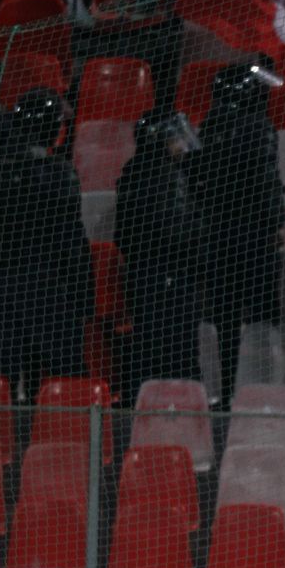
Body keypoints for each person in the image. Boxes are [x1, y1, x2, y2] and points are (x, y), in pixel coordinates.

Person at [0, 86, 93, 399]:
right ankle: (72, 443)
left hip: (0, 285)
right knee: (68, 378)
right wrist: (82, 294)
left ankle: (3, 444)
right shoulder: (58, 173)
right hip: (46, 285)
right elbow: (71, 239)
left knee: (2, 382)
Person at [194, 60, 285, 403]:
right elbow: (265, 182)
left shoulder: (207, 127)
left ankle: (223, 390)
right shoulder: (257, 127)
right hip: (253, 236)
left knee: (223, 317)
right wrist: (274, 220)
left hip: (215, 236)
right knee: (261, 316)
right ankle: (259, 393)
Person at [115, 108, 203, 400]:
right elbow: (178, 233)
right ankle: (178, 411)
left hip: (144, 275)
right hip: (168, 277)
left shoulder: (134, 171)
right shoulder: (165, 177)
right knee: (178, 353)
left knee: (148, 348)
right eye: (175, 139)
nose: (182, 144)